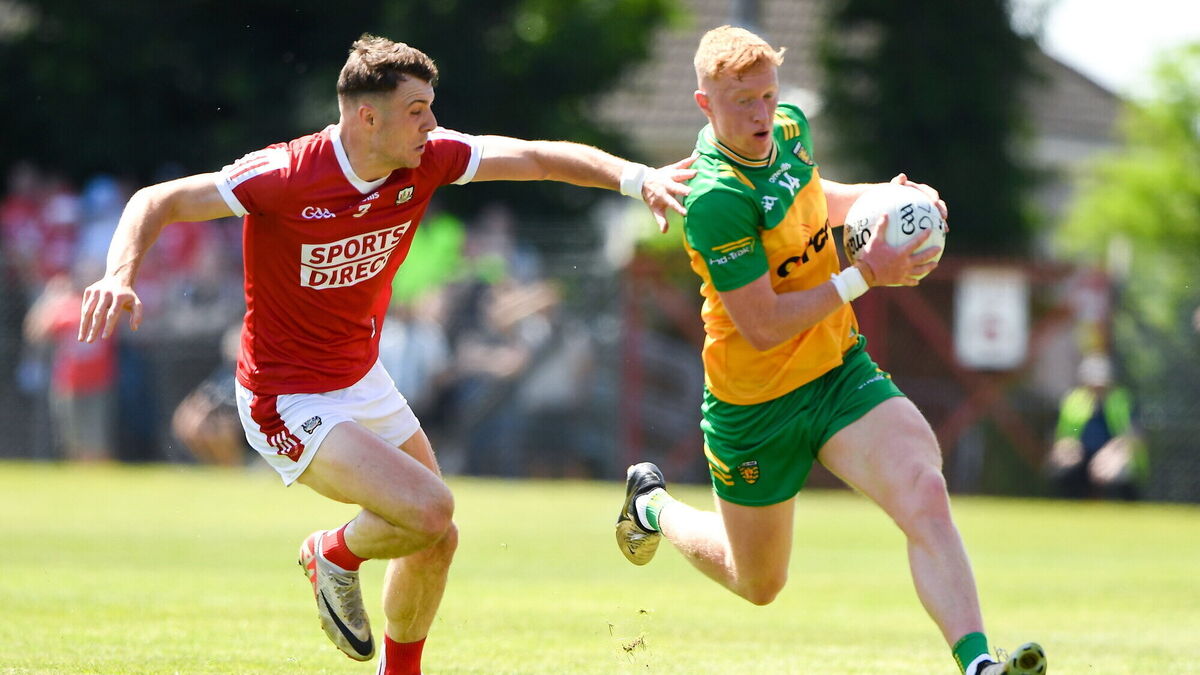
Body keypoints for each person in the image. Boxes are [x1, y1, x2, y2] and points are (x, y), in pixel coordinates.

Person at [78, 34, 695, 675]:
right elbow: (157, 199)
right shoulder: (286, 173)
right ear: (367, 117)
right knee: (431, 510)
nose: (431, 123)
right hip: (284, 397)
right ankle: (332, 554)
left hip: (361, 378)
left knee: (437, 537)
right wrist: (119, 275)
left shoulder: (429, 158)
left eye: (430, 108)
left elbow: (538, 157)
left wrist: (638, 178)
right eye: (416, 110)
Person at [613, 26, 1046, 675]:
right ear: (705, 104)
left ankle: (979, 664)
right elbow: (764, 325)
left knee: (925, 491)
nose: (761, 114)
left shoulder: (790, 128)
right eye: (742, 102)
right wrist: (864, 274)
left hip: (837, 371)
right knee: (758, 581)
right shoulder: (716, 199)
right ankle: (651, 505)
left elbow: (815, 199)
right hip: (755, 405)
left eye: (767, 95)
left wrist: (888, 202)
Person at [1044, 353, 1146, 500]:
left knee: (1115, 472)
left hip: (1113, 455)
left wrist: (1112, 452)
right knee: (1063, 468)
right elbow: (1067, 432)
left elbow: (1133, 435)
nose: (1096, 390)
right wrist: (1068, 446)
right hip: (1082, 456)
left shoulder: (1122, 401)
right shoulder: (1073, 401)